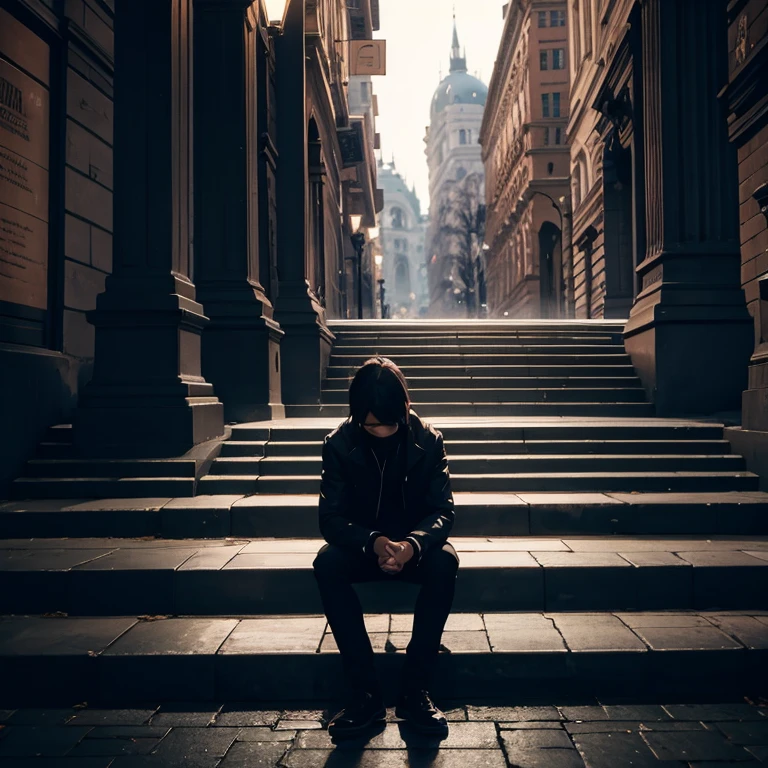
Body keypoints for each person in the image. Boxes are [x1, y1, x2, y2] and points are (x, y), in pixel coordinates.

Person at [313, 356, 459, 739]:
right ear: (357, 415)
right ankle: (365, 695)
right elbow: (330, 519)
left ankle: (415, 691)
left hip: (414, 550)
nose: (380, 432)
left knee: (445, 562)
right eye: (371, 424)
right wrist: (373, 542)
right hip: (363, 547)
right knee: (326, 564)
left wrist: (412, 546)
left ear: (405, 408)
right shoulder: (340, 443)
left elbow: (443, 512)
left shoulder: (428, 440)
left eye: (389, 424)